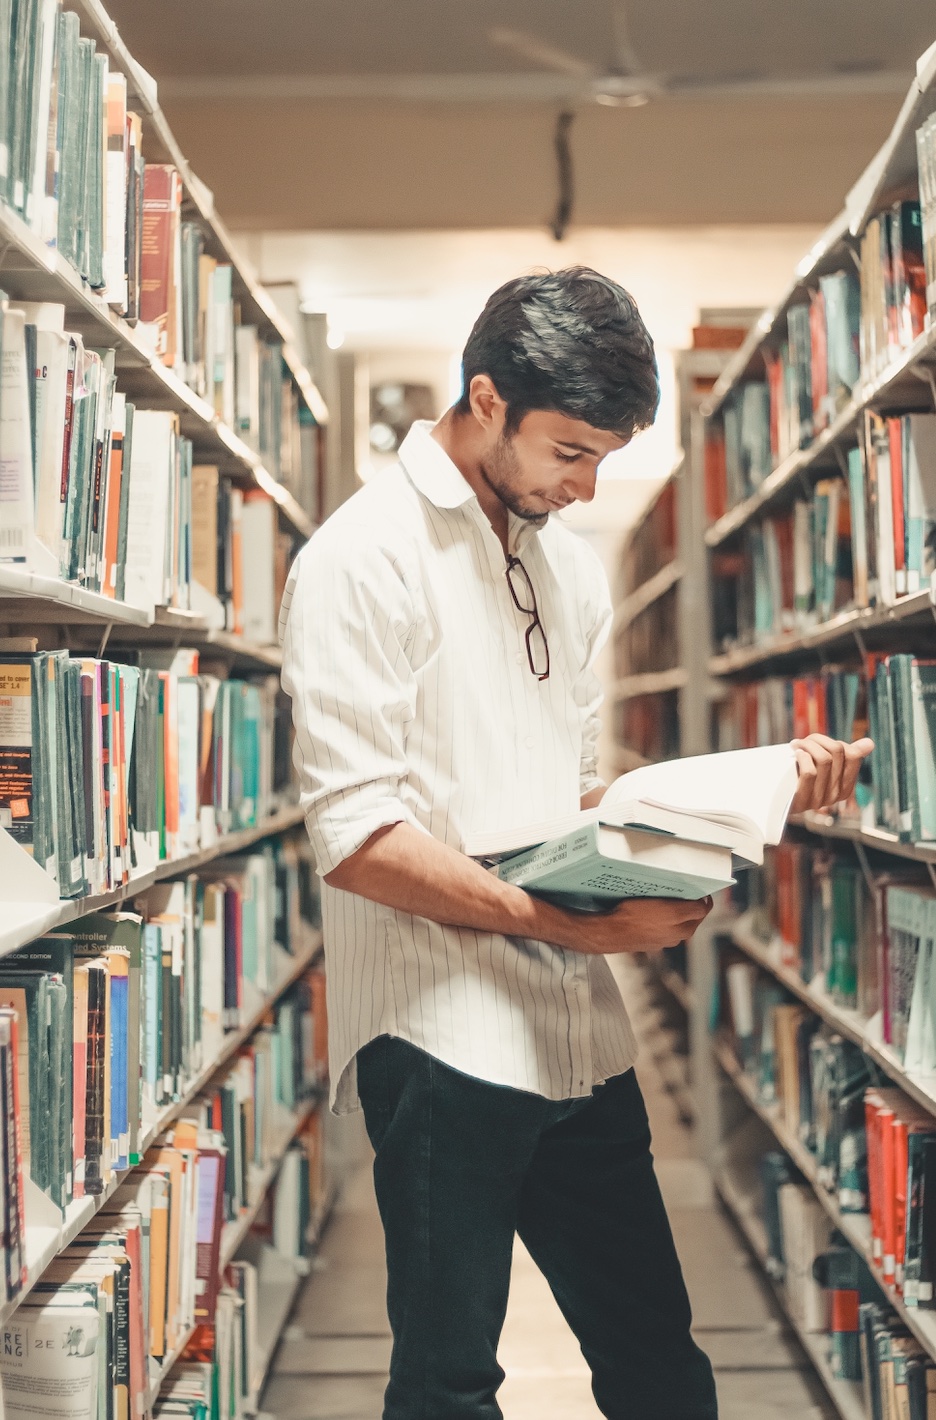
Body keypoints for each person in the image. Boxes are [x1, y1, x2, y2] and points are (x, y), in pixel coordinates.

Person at [279, 267, 873, 1420]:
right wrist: (564, 918)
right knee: (449, 1382)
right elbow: (355, 835)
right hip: (438, 1036)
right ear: (487, 399)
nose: (587, 484)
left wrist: (719, 812)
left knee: (658, 1359)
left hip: (576, 1033)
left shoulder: (569, 565)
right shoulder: (362, 561)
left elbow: (571, 790)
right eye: (569, 451)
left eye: (607, 455)